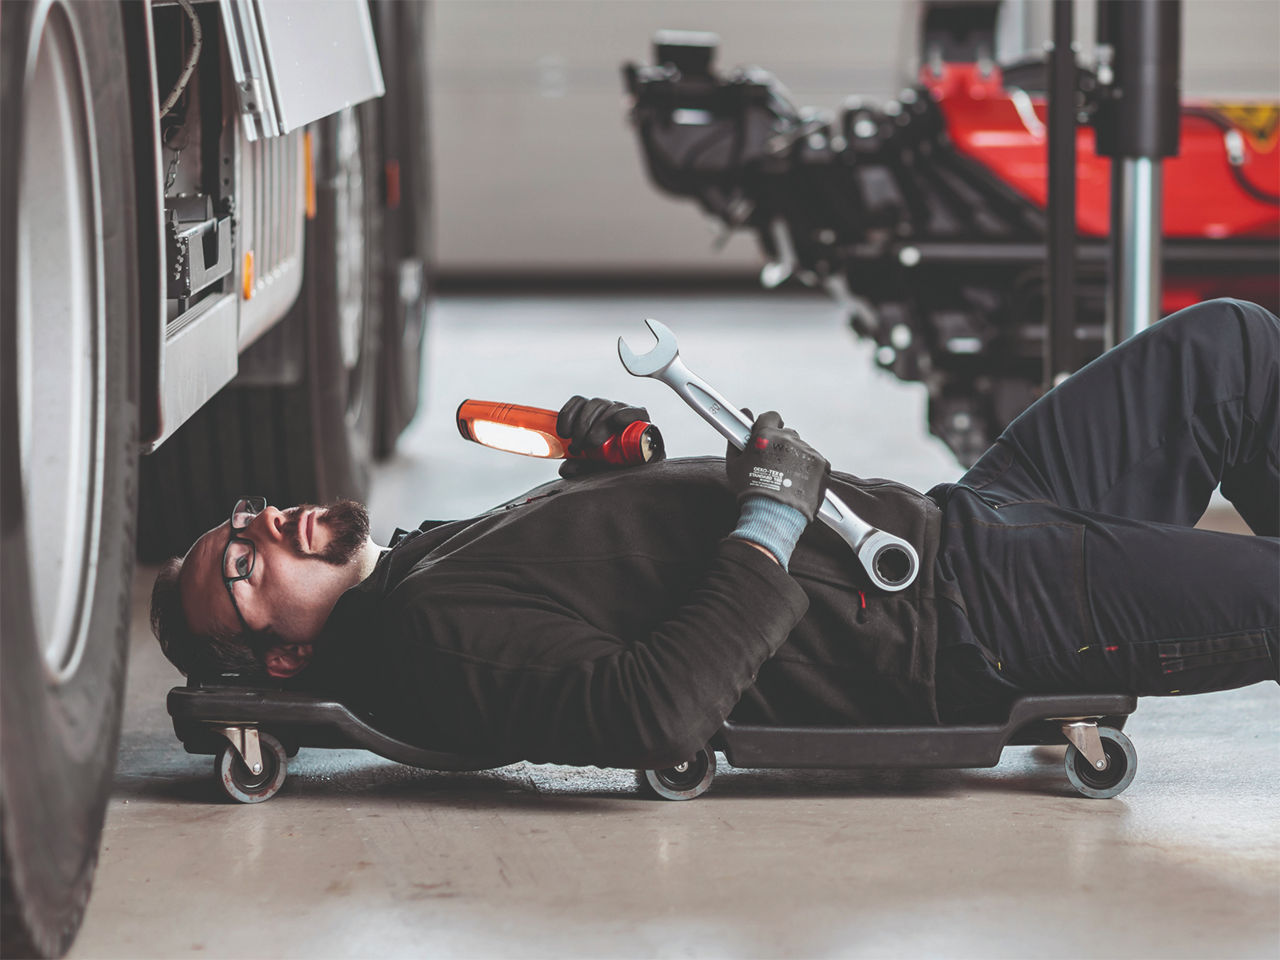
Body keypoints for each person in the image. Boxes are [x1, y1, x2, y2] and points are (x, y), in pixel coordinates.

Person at [151, 299, 1279, 768]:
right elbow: (656, 709)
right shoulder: (424, 636)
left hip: (961, 521)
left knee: (1229, 347)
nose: (266, 524)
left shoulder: (415, 567)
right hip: (964, 616)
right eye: (244, 567)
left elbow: (605, 578)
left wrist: (598, 471)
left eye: (245, 516)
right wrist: (773, 511)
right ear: (283, 659)